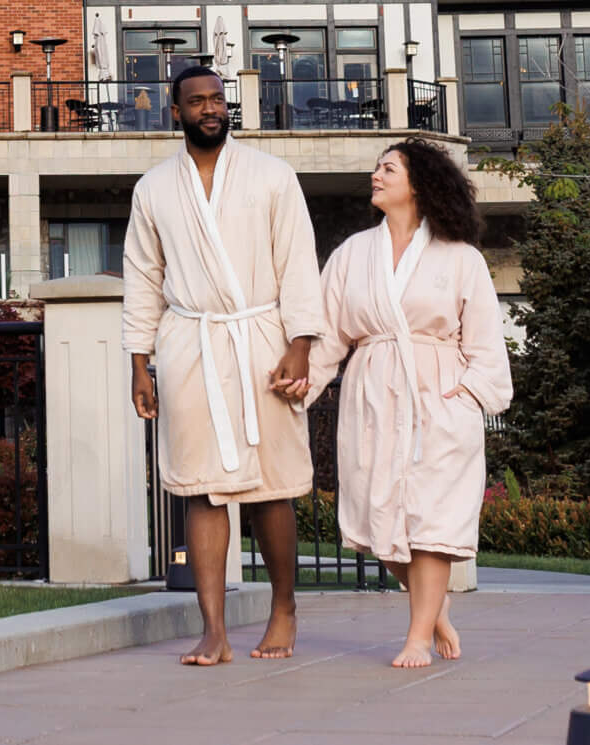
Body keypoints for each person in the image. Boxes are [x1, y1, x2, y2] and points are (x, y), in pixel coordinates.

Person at [122, 65, 326, 666]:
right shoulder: (154, 188)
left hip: (263, 338)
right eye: (196, 101)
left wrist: (301, 343)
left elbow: (298, 263)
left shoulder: (271, 175)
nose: (209, 109)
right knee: (202, 490)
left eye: (216, 99)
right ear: (175, 110)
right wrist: (141, 363)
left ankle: (284, 608)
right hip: (191, 344)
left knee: (271, 487)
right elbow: (142, 280)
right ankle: (213, 629)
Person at [314, 136, 512, 668]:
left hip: (438, 398)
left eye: (388, 169)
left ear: (418, 184)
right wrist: (300, 386)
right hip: (373, 397)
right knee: (380, 522)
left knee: (432, 522)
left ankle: (418, 635)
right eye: (376, 169)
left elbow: (487, 341)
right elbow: (328, 333)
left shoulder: (461, 258)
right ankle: (436, 610)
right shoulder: (353, 254)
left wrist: (467, 397)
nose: (375, 177)